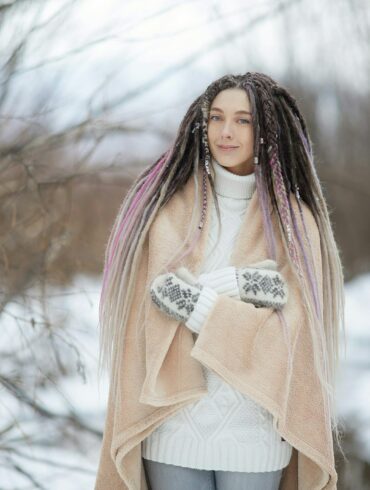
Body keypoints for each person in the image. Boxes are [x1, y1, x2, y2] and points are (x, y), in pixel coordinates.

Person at [95, 72, 346, 490]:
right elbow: (152, 314)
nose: (226, 132)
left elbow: (291, 339)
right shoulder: (166, 212)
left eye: (243, 120)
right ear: (201, 124)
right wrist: (248, 289)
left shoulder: (296, 224)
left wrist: (201, 300)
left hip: (255, 433)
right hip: (171, 429)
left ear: (266, 129)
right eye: (216, 118)